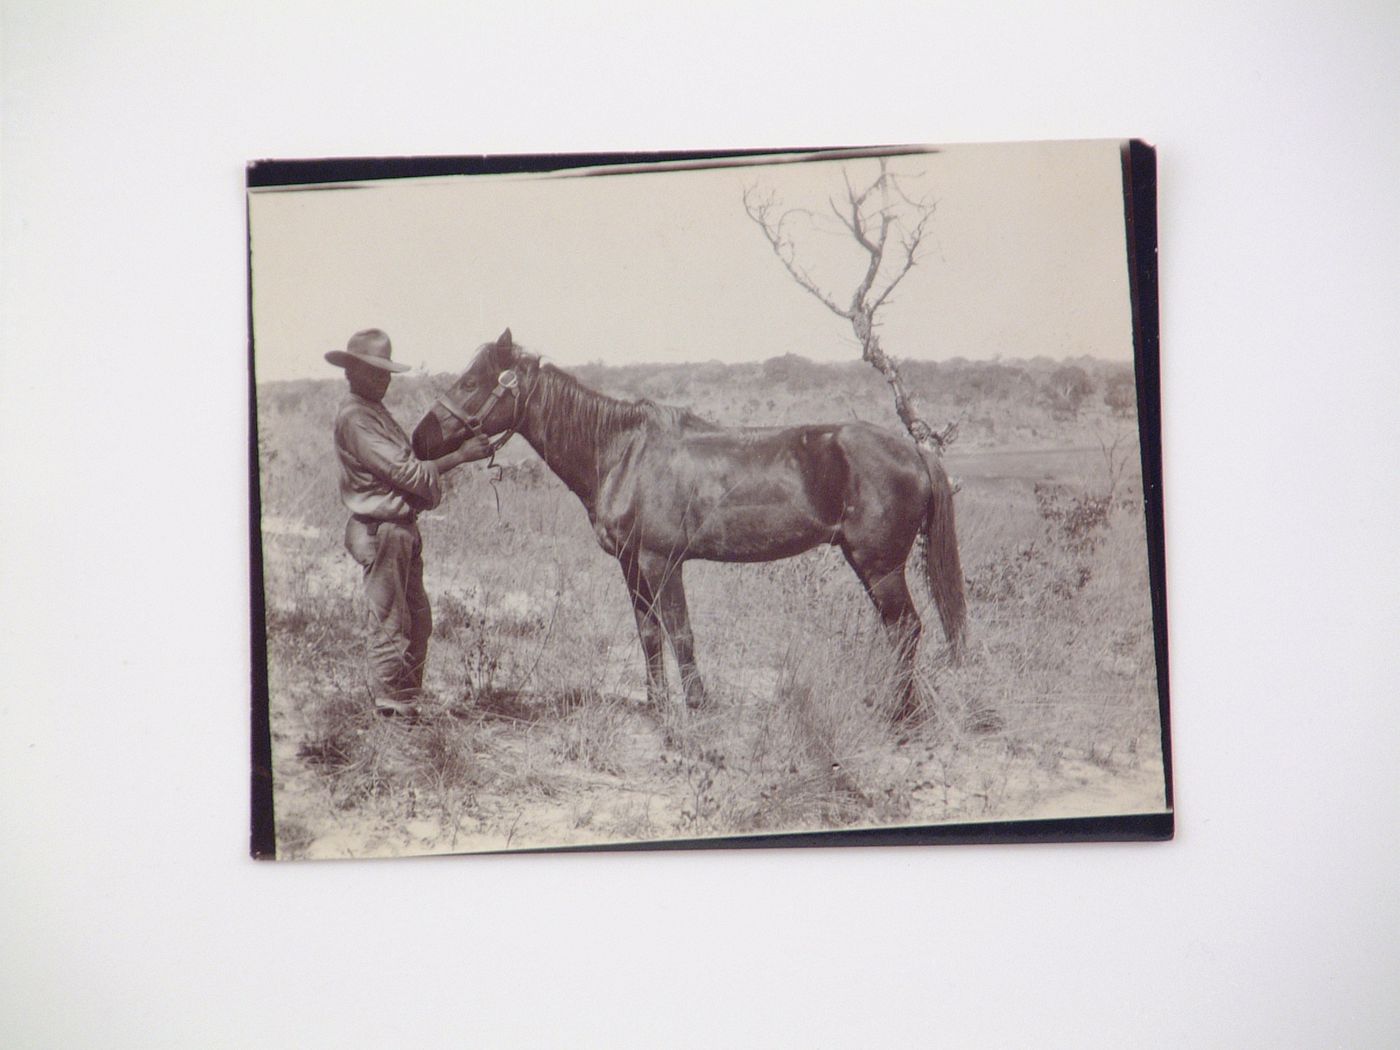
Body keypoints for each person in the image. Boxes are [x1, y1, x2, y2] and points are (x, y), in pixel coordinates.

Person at [324, 329, 492, 717]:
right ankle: (392, 717)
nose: (383, 380)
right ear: (353, 371)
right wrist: (461, 456)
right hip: (382, 531)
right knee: (391, 625)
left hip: (397, 530)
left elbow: (408, 463)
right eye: (375, 372)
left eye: (386, 373)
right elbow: (408, 473)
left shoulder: (372, 411)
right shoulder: (356, 418)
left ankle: (406, 705)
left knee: (417, 623)